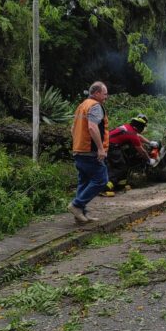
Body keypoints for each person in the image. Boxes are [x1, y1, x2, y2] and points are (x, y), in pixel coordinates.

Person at [68, 81, 110, 224]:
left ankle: (81, 214)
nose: (106, 97)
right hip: (90, 151)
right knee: (101, 180)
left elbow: (73, 129)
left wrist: (77, 145)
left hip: (79, 150)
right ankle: (77, 205)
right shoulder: (95, 106)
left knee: (84, 182)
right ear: (97, 93)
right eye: (105, 94)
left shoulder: (82, 105)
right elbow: (92, 127)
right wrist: (100, 148)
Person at [105, 114, 158, 193]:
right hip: (111, 147)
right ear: (140, 126)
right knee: (120, 167)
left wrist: (150, 143)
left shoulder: (128, 128)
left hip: (111, 145)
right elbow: (142, 151)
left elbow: (138, 136)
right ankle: (106, 188)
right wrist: (149, 160)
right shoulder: (132, 134)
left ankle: (120, 185)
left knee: (125, 164)